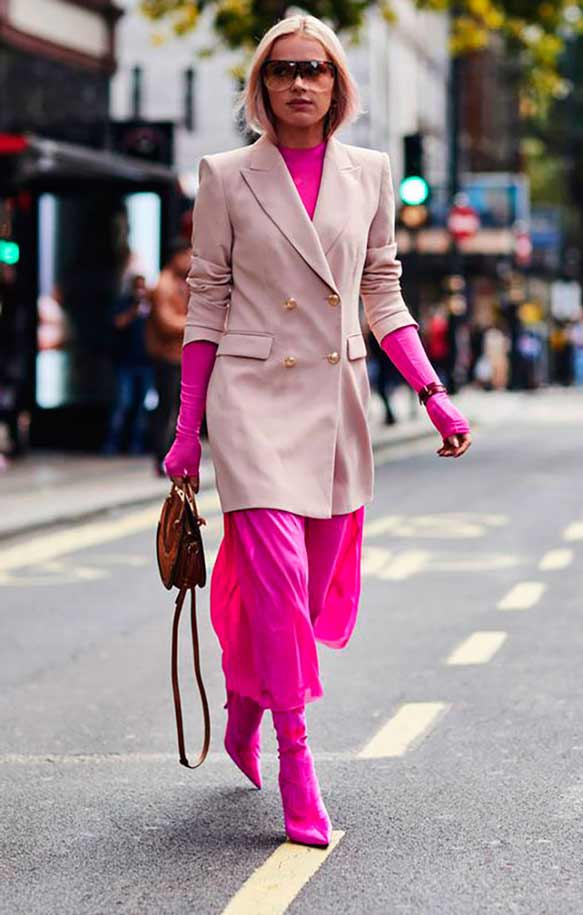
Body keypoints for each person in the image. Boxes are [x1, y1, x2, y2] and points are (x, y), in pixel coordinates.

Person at [163, 14, 472, 848]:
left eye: (316, 69)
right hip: (252, 396)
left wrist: (433, 392)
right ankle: (297, 759)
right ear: (261, 87)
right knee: (271, 569)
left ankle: (247, 693)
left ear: (338, 85)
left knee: (303, 595)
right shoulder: (226, 175)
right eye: (283, 70)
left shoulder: (370, 173)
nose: (299, 82)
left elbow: (382, 289)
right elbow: (207, 301)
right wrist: (188, 430)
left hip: (335, 400)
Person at [146, 240, 191, 475]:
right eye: (187, 256)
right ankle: (162, 457)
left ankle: (172, 456)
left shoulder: (181, 283)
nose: (190, 261)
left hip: (180, 355)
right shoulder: (163, 285)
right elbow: (165, 322)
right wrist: (193, 323)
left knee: (178, 409)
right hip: (168, 356)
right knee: (167, 409)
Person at [103, 274, 153, 454]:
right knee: (123, 403)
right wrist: (133, 311)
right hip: (126, 362)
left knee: (142, 407)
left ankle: (136, 445)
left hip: (146, 362)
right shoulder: (124, 304)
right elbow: (117, 323)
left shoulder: (150, 307)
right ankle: (112, 444)